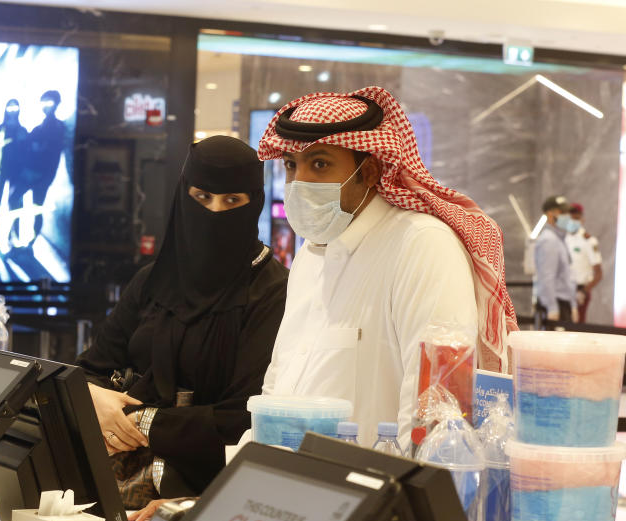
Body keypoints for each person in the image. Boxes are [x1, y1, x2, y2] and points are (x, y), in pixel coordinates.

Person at [256, 87, 517, 448]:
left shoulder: (421, 244)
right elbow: (278, 385)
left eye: (319, 164)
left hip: (376, 493)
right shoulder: (310, 254)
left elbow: (436, 408)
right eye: (290, 165)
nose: (299, 182)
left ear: (370, 170)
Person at [77, 136, 289, 520]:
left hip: (208, 499)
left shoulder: (272, 292)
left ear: (253, 203)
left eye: (232, 201)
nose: (214, 212)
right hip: (109, 489)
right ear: (183, 195)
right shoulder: (152, 282)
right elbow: (91, 367)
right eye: (202, 197)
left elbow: (243, 417)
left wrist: (141, 420)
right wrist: (95, 398)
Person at [20, 89, 67, 244]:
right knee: (17, 200)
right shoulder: (40, 127)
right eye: (44, 103)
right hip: (33, 173)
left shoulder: (58, 127)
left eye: (50, 103)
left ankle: (29, 242)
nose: (46, 106)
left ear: (56, 105)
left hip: (42, 176)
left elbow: (52, 153)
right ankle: (20, 240)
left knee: (36, 207)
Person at [534, 195, 578, 326]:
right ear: (549, 214)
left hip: (564, 303)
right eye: (562, 212)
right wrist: (552, 308)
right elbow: (547, 277)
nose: (566, 216)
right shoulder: (549, 240)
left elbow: (566, 276)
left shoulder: (558, 239)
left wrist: (573, 304)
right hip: (556, 305)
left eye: (567, 212)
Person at [565, 202, 603, 322]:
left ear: (582, 219)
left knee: (577, 329)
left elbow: (598, 273)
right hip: (563, 290)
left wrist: (583, 292)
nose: (573, 221)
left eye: (576, 218)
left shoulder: (588, 240)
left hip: (580, 292)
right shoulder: (564, 238)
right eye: (570, 218)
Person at [0, 98, 29, 214]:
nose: (12, 111)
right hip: (1, 169)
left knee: (15, 201)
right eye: (10, 107)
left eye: (15, 108)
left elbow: (25, 152)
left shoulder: (22, 130)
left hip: (16, 170)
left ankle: (15, 229)